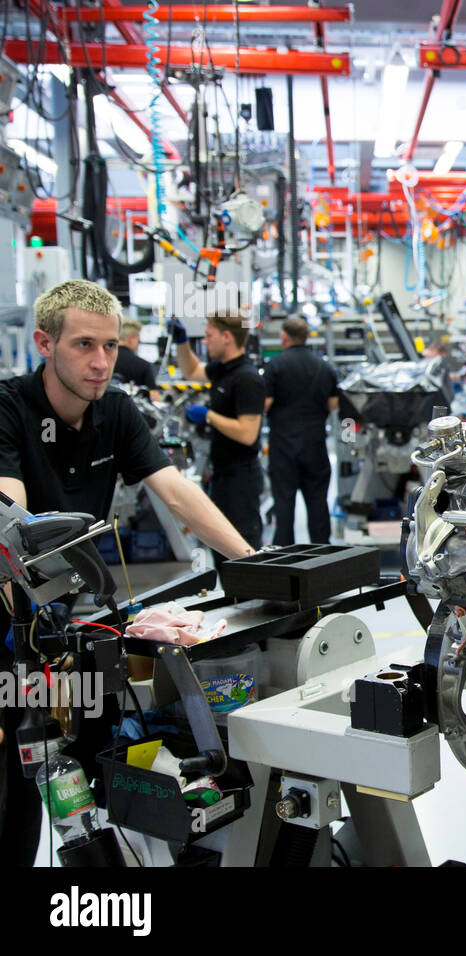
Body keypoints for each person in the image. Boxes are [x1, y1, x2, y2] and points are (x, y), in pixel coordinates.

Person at [0, 279, 262, 866]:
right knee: (19, 782)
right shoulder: (8, 406)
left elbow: (174, 491)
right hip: (16, 617)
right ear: (44, 343)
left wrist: (252, 563)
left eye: (111, 347)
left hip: (84, 617)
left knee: (98, 760)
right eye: (84, 345)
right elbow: (10, 515)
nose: (100, 362)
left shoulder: (115, 410)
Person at [169, 312, 266, 573]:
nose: (206, 342)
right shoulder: (222, 370)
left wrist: (208, 416)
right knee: (221, 549)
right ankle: (234, 603)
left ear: (227, 337)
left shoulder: (247, 378)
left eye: (209, 336)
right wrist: (182, 342)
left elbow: (247, 433)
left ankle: (251, 603)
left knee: (242, 550)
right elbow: (191, 371)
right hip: (222, 474)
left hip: (241, 479)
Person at [263, 318, 339, 545]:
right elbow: (334, 404)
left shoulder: (274, 366)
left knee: (284, 505)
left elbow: (265, 404)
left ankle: (286, 561)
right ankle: (322, 560)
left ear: (284, 337)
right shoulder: (324, 367)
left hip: (283, 446)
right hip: (315, 444)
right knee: (317, 503)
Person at [111, 318, 158, 390]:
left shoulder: (105, 361)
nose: (138, 345)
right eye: (138, 341)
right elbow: (154, 397)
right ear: (131, 338)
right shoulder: (144, 365)